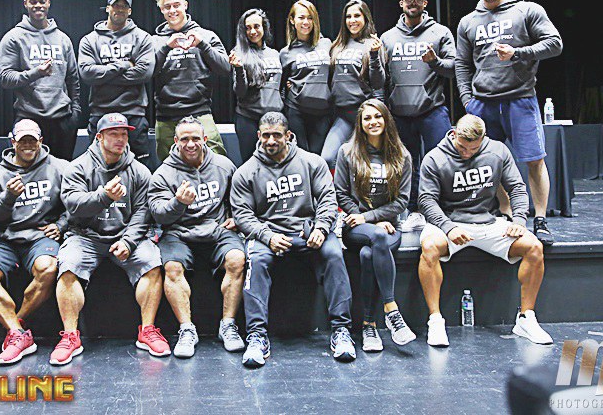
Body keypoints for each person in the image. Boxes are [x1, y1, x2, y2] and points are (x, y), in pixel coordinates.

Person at [231, 111, 354, 368]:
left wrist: (321, 228)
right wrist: (267, 236)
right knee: (255, 260)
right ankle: (256, 336)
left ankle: (341, 330)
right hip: (269, 235)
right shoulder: (246, 172)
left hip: (308, 232)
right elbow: (243, 215)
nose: (271, 140)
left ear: (288, 135)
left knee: (333, 254)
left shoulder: (311, 162)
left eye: (277, 135)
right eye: (266, 135)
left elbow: (327, 199)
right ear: (258, 136)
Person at [417, 114, 552, 347]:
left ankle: (526, 318)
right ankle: (435, 320)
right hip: (450, 221)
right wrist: (448, 228)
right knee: (429, 248)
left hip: (488, 222)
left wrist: (519, 220)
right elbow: (426, 201)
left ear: (483, 139)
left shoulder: (497, 151)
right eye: (462, 147)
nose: (467, 153)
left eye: (474, 149)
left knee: (534, 247)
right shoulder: (435, 158)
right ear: (454, 134)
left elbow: (517, 188)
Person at [456, 0, 563, 245]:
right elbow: (462, 64)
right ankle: (505, 213)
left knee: (534, 160)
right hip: (483, 103)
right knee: (489, 162)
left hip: (520, 99)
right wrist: (467, 100)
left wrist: (518, 53)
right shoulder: (468, 22)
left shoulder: (527, 10)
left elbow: (555, 43)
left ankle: (539, 219)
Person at [51, 113, 170, 365]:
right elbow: (73, 205)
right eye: (114, 134)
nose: (120, 139)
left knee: (152, 262)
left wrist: (128, 241)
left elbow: (143, 211)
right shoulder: (78, 167)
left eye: (124, 134)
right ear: (99, 137)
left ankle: (147, 330)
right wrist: (103, 197)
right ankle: (70, 336)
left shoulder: (139, 170)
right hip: (86, 236)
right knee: (68, 265)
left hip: (125, 235)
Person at [148, 116, 245, 358]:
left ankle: (228, 325)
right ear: (175, 141)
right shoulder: (163, 174)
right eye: (184, 139)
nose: (190, 144)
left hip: (217, 229)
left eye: (195, 139)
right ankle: (186, 329)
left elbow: (240, 199)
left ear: (205, 139)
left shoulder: (223, 166)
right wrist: (178, 203)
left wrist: (236, 217)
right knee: (171, 266)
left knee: (237, 258)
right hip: (179, 232)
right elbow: (158, 215)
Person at [0, 119, 70, 365]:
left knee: (48, 268)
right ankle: (18, 333)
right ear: (13, 142)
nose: (28, 145)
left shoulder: (59, 168)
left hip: (39, 236)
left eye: (32, 140)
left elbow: (75, 203)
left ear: (41, 141)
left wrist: (60, 225)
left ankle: (15, 325)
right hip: (4, 238)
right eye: (23, 140)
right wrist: (8, 197)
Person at [334, 99, 416, 352]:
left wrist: (375, 218)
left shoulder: (402, 155)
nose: (373, 122)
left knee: (369, 254)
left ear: (386, 119)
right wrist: (366, 218)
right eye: (367, 118)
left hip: (389, 226)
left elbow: (402, 201)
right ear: (360, 123)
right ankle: (392, 310)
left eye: (378, 116)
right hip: (355, 226)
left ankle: (369, 325)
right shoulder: (347, 152)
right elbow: (341, 194)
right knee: (376, 238)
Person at [381, 0, 455, 216]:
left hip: (432, 110)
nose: (413, 3)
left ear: (425, 3)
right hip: (399, 113)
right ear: (401, 3)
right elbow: (380, 78)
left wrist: (435, 62)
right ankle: (412, 210)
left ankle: (442, 208)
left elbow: (454, 68)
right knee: (406, 165)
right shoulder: (387, 37)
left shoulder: (440, 32)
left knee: (442, 161)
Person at [0, 0, 81, 161]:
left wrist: (75, 113)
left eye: (42, 1)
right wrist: (35, 73)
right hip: (29, 118)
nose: (38, 5)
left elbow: (73, 79)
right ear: (25, 3)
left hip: (63, 120)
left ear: (49, 3)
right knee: (28, 171)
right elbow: (5, 78)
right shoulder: (13, 38)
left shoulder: (63, 39)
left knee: (62, 171)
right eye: (33, 2)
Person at [152, 0, 230, 161]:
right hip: (166, 116)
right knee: (169, 169)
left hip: (200, 112)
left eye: (176, 5)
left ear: (185, 5)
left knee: (217, 162)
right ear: (162, 10)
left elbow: (225, 69)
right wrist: (166, 48)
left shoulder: (206, 36)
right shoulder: (154, 41)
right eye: (167, 7)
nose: (172, 10)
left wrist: (202, 45)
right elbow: (147, 73)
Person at [78, 0, 155, 164]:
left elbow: (144, 72)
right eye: (115, 5)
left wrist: (104, 75)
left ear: (130, 11)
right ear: (107, 8)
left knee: (140, 170)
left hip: (133, 113)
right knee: (98, 169)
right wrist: (124, 65)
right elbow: (87, 74)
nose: (119, 9)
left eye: (124, 6)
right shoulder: (90, 40)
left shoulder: (142, 38)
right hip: (100, 113)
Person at [321, 0, 386, 169]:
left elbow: (378, 83)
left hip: (364, 114)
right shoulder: (337, 45)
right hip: (342, 115)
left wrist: (374, 55)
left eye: (357, 16)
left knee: (366, 164)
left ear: (365, 18)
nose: (352, 20)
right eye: (348, 16)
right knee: (328, 158)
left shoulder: (373, 44)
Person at [229, 8, 283, 164]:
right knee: (252, 165)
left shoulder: (275, 54)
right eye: (248, 28)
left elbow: (280, 86)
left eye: (256, 26)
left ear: (264, 27)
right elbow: (240, 92)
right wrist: (239, 69)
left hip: (274, 119)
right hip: (248, 119)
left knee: (276, 163)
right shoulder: (239, 54)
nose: (252, 31)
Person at [279, 0, 332, 155]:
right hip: (296, 111)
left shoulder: (326, 44)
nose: (306, 22)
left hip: (323, 111)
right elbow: (280, 87)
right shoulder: (285, 53)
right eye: (301, 17)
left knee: (319, 157)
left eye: (310, 18)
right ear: (292, 20)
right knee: (301, 157)